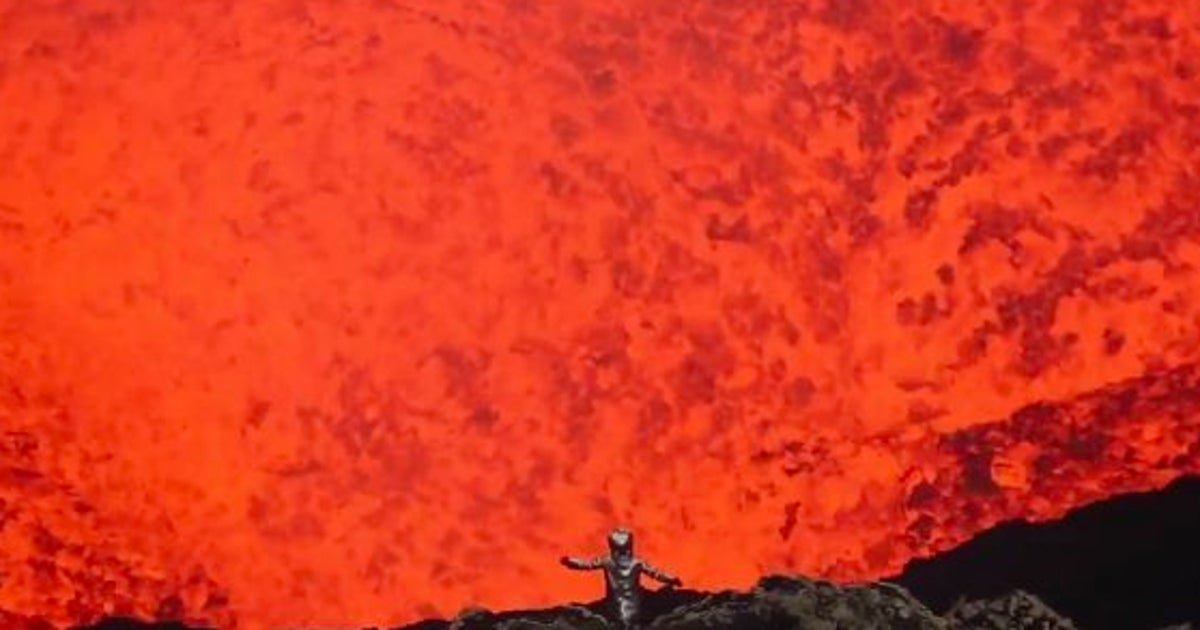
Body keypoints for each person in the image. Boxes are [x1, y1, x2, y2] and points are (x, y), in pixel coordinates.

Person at [560, 528, 682, 628]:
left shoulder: (608, 561)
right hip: (629, 606)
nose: (624, 554)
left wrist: (570, 562)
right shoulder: (636, 563)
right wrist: (672, 579)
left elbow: (586, 565)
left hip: (619, 607)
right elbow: (657, 574)